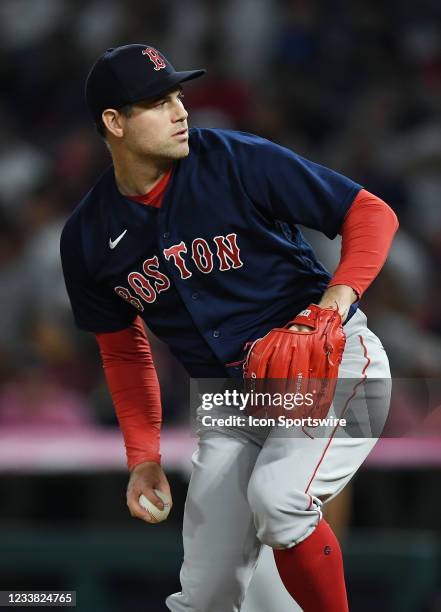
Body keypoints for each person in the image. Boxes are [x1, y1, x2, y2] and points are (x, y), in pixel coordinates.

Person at [60, 44, 399, 611]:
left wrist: (334, 302)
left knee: (282, 498)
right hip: (232, 405)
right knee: (206, 595)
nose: (180, 110)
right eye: (156, 101)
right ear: (113, 123)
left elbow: (369, 212)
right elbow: (123, 352)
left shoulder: (233, 158)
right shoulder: (88, 237)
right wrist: (142, 458)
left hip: (335, 367)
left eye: (178, 95)